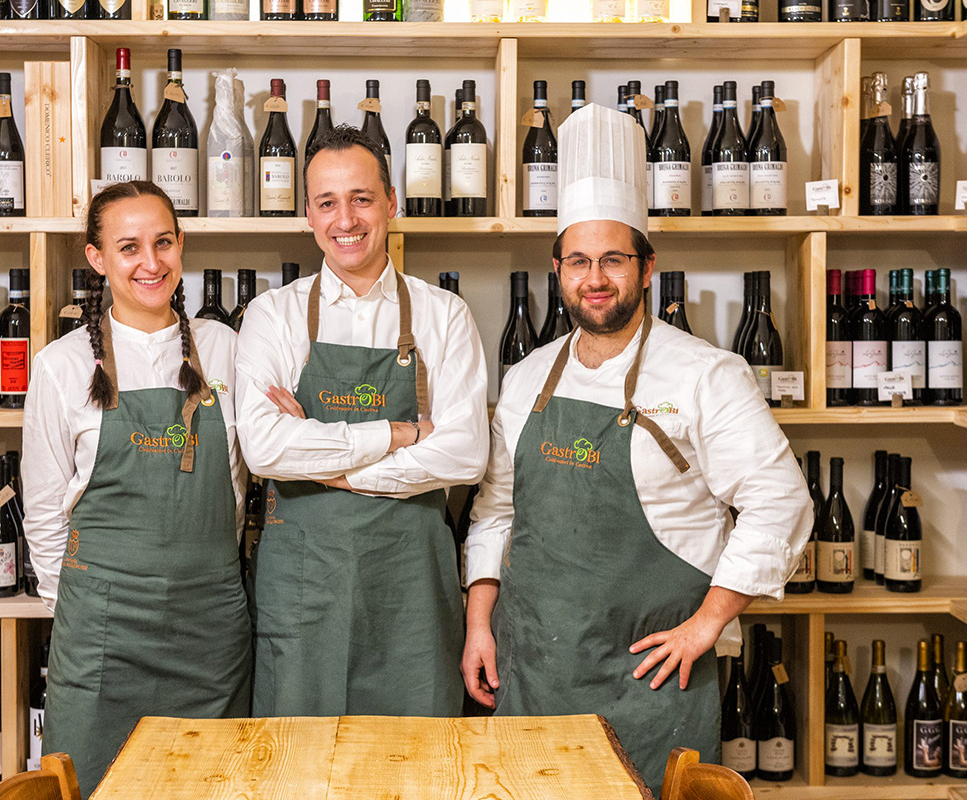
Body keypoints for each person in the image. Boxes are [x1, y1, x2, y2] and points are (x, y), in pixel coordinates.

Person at [460, 104, 812, 792]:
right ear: (556, 268)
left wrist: (708, 624)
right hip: (531, 673)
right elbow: (496, 511)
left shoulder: (706, 374)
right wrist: (479, 622)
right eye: (580, 260)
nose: (596, 278)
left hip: (649, 687)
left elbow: (780, 502)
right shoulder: (529, 378)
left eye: (615, 259)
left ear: (648, 267)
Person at [235, 125, 488, 717]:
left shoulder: (444, 315)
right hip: (304, 596)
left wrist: (334, 468)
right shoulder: (272, 315)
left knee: (417, 766)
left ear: (392, 202)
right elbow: (266, 450)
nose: (344, 218)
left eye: (361, 198)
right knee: (298, 768)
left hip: (412, 596)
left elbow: (466, 453)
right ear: (307, 214)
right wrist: (398, 435)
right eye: (327, 202)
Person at [23, 181, 251, 796]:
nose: (151, 263)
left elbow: (244, 479)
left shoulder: (228, 350)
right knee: (94, 785)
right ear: (97, 259)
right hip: (104, 631)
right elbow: (44, 510)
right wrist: (73, 610)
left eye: (164, 242)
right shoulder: (61, 365)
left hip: (210, 625)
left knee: (211, 784)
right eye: (129, 247)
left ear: (181, 246)